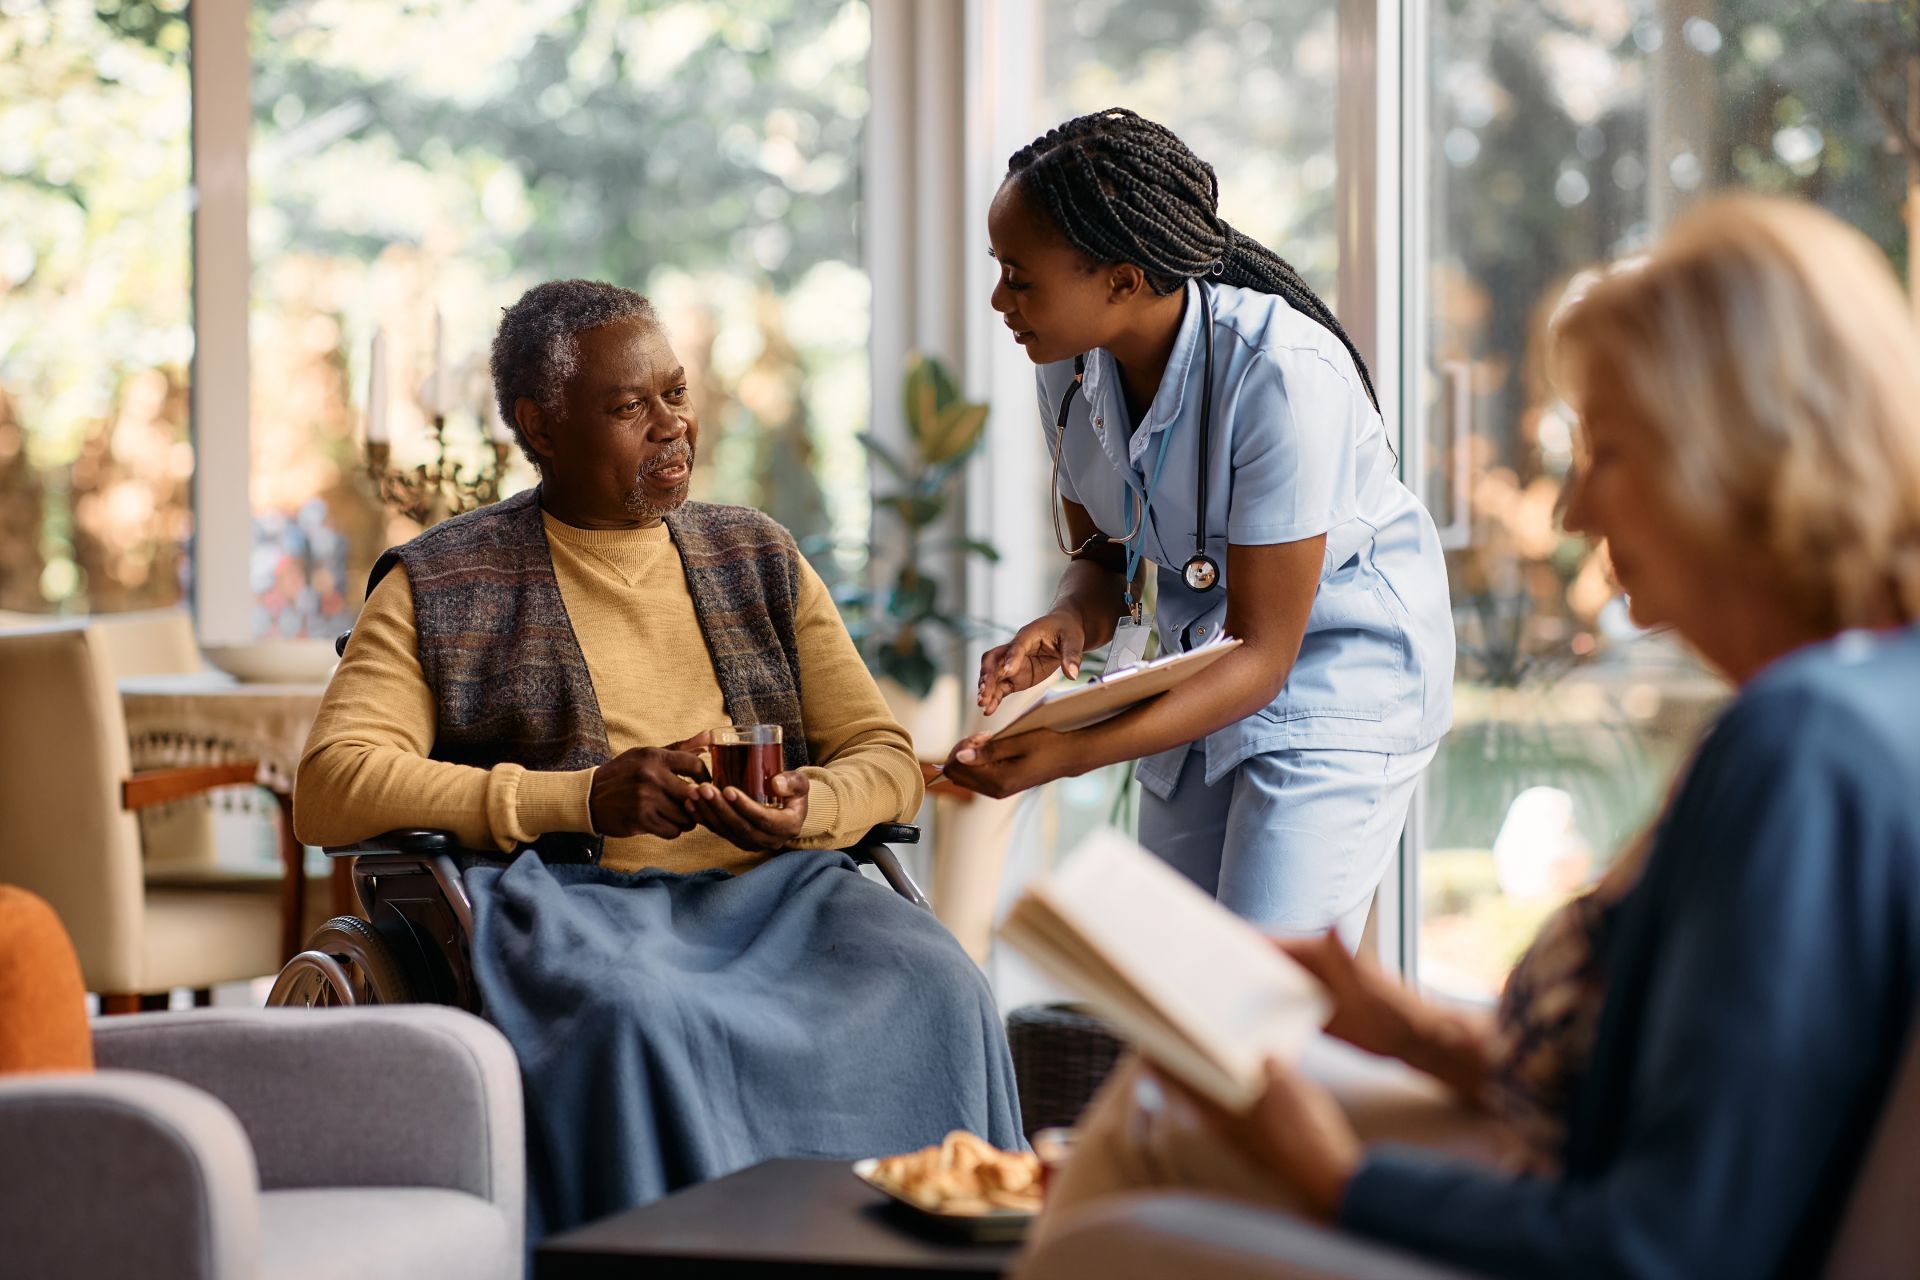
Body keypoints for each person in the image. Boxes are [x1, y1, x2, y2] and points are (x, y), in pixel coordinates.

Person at [1021, 195, 1920, 1279]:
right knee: (1159, 1103)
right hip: (1543, 1137)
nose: (1577, 507)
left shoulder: (1807, 747)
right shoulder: (1862, 703)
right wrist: (1419, 1032)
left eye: (1612, 451)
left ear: (1748, 459)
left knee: (1130, 1184)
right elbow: (1702, 1090)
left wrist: (1333, 1175)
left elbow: (1664, 1243)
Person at [295, 280, 1022, 1239]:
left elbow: (883, 757)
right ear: (540, 426)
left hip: (782, 893)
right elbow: (332, 785)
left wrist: (808, 805)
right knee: (637, 1015)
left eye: (675, 393)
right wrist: (584, 798)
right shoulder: (438, 580)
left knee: (941, 984)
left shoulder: (757, 554)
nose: (671, 426)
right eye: (629, 407)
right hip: (572, 907)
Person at [942, 109, 1453, 942]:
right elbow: (1108, 555)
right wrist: (1067, 620)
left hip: (1332, 674)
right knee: (1177, 996)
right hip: (1202, 665)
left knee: (1255, 1002)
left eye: (1020, 277)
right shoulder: (1067, 365)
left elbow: (1265, 651)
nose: (1000, 299)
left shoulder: (1281, 374)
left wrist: (1070, 752)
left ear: (1122, 278)